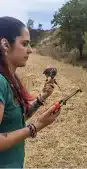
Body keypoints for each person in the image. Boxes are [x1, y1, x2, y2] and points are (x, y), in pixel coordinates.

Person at [0, 16, 61, 168]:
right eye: (24, 43)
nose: (30, 50)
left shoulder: (10, 79)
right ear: (5, 44)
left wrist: (41, 98)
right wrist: (36, 126)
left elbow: (13, 121)